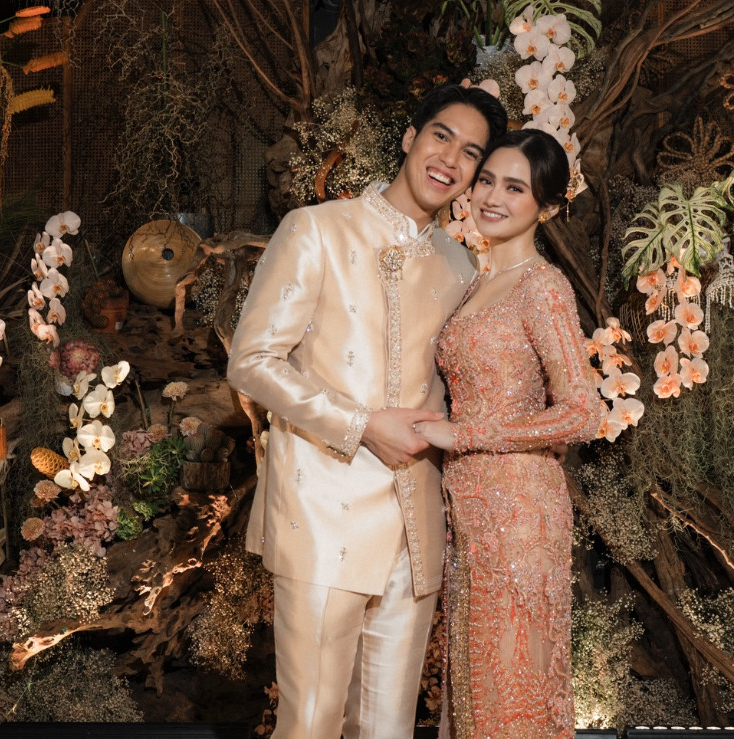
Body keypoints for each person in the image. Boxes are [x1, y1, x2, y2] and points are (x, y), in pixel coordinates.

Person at [226, 84, 507, 739]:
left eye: (471, 153)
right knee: (312, 721)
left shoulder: (460, 265)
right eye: (440, 136)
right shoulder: (317, 229)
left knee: (388, 728)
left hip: (415, 524)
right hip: (323, 511)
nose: (450, 159)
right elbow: (252, 361)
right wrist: (360, 425)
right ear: (410, 137)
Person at [413, 128, 606, 738]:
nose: (492, 197)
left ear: (545, 207)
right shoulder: (476, 279)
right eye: (487, 181)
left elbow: (584, 412)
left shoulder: (542, 287)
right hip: (471, 508)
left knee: (510, 688)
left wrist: (465, 434)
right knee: (475, 690)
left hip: (521, 512)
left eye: (515, 188)